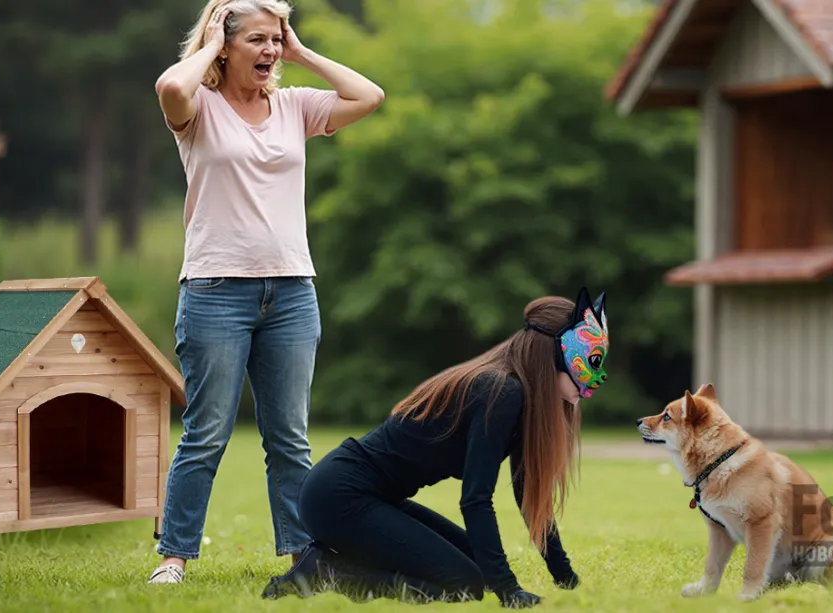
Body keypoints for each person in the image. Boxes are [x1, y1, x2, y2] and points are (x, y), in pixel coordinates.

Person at [147, 0, 385, 585]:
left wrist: (300, 50)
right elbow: (169, 82)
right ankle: (174, 558)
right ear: (224, 45)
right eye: (258, 39)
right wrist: (213, 38)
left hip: (292, 292)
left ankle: (303, 557)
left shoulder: (294, 106)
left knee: (290, 440)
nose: (271, 51)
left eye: (276, 40)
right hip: (215, 290)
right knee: (205, 435)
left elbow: (369, 96)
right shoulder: (196, 108)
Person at [261, 288, 610, 607]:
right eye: (591, 362)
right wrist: (508, 591)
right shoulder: (500, 392)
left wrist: (564, 577)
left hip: (373, 497)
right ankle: (323, 571)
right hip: (338, 495)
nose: (597, 377)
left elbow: (527, 495)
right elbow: (475, 499)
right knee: (463, 583)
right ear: (555, 351)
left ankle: (334, 558)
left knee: (477, 563)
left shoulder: (522, 401)